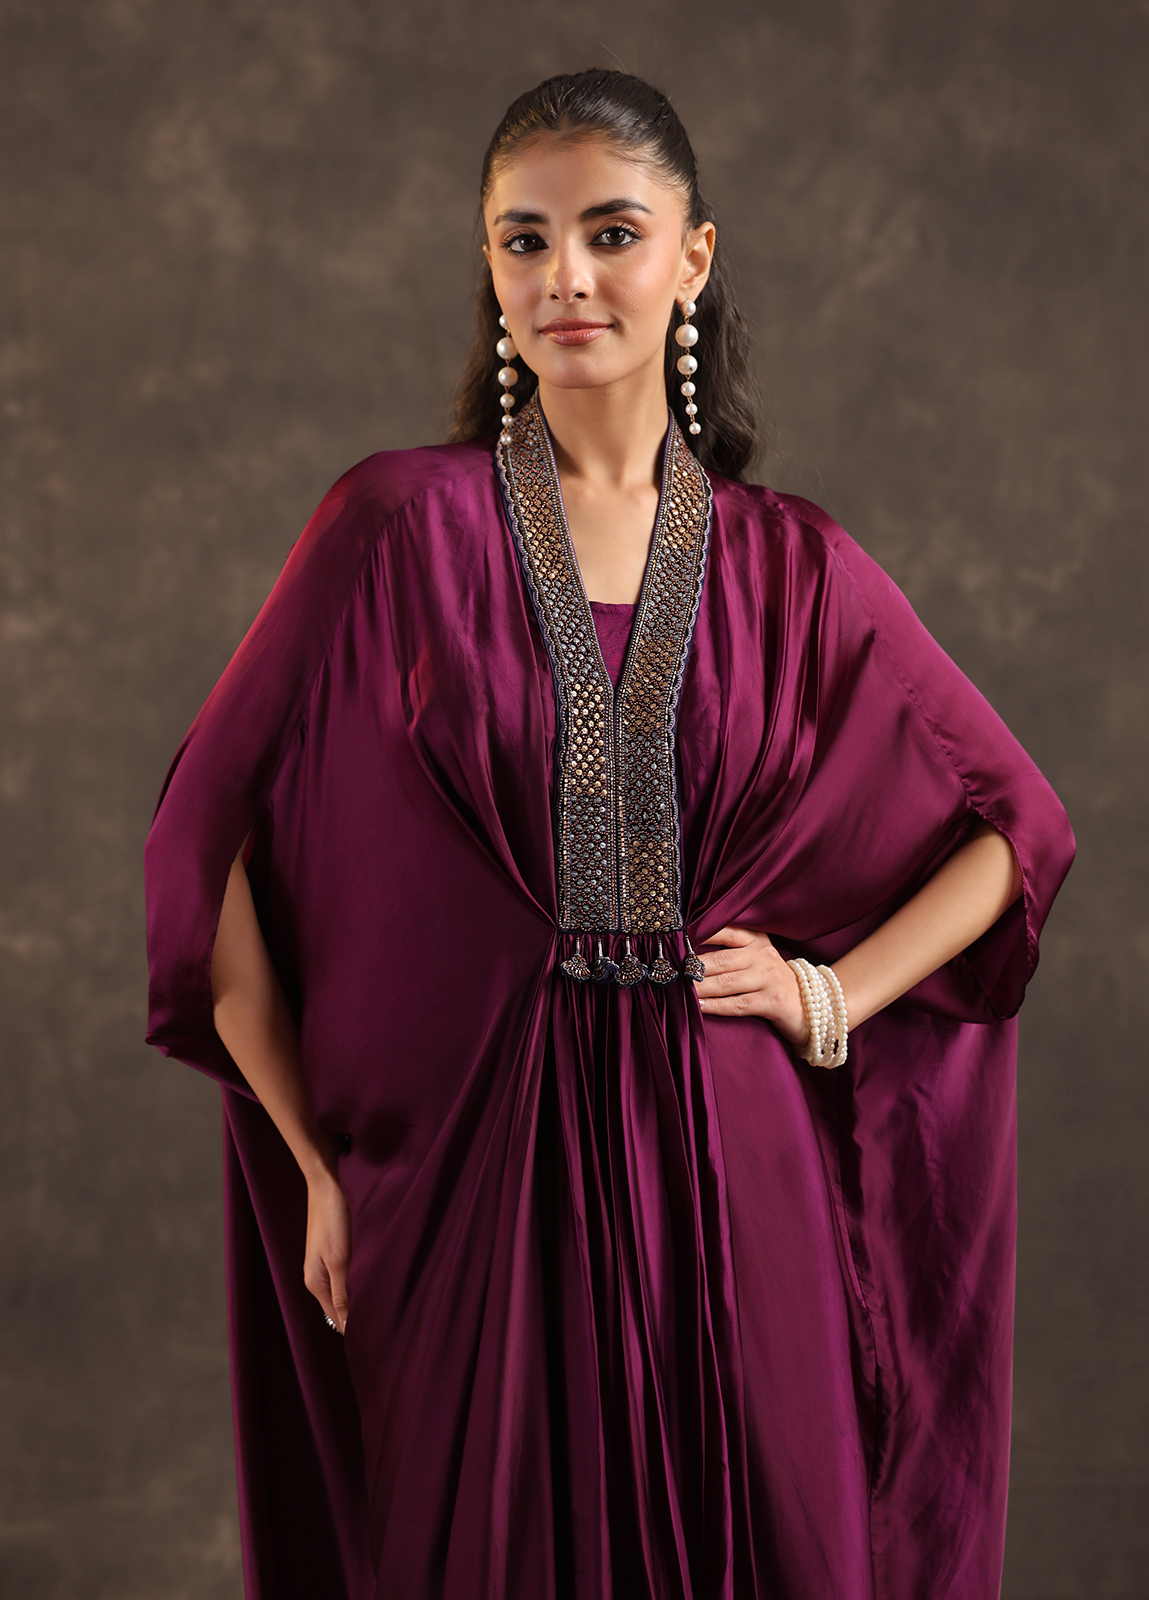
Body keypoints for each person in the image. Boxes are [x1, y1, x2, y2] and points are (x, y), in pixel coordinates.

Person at [144, 68, 1074, 1600]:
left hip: (736, 1160)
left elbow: (1017, 827)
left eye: (611, 233)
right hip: (473, 1173)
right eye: (525, 240)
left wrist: (830, 996)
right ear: (489, 263)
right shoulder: (392, 527)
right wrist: (312, 1158)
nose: (565, 276)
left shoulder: (794, 565)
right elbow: (203, 838)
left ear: (692, 259)